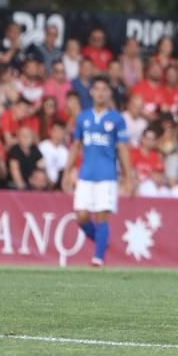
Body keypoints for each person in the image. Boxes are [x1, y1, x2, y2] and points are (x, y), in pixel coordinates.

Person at [62, 75, 135, 267]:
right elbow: (76, 146)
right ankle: (102, 243)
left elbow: (122, 149)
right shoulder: (83, 118)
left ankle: (98, 258)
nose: (101, 93)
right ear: (92, 92)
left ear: (109, 93)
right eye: (97, 89)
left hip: (107, 175)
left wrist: (128, 177)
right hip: (86, 174)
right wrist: (67, 171)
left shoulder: (117, 119)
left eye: (104, 89)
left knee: (102, 215)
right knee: (81, 216)